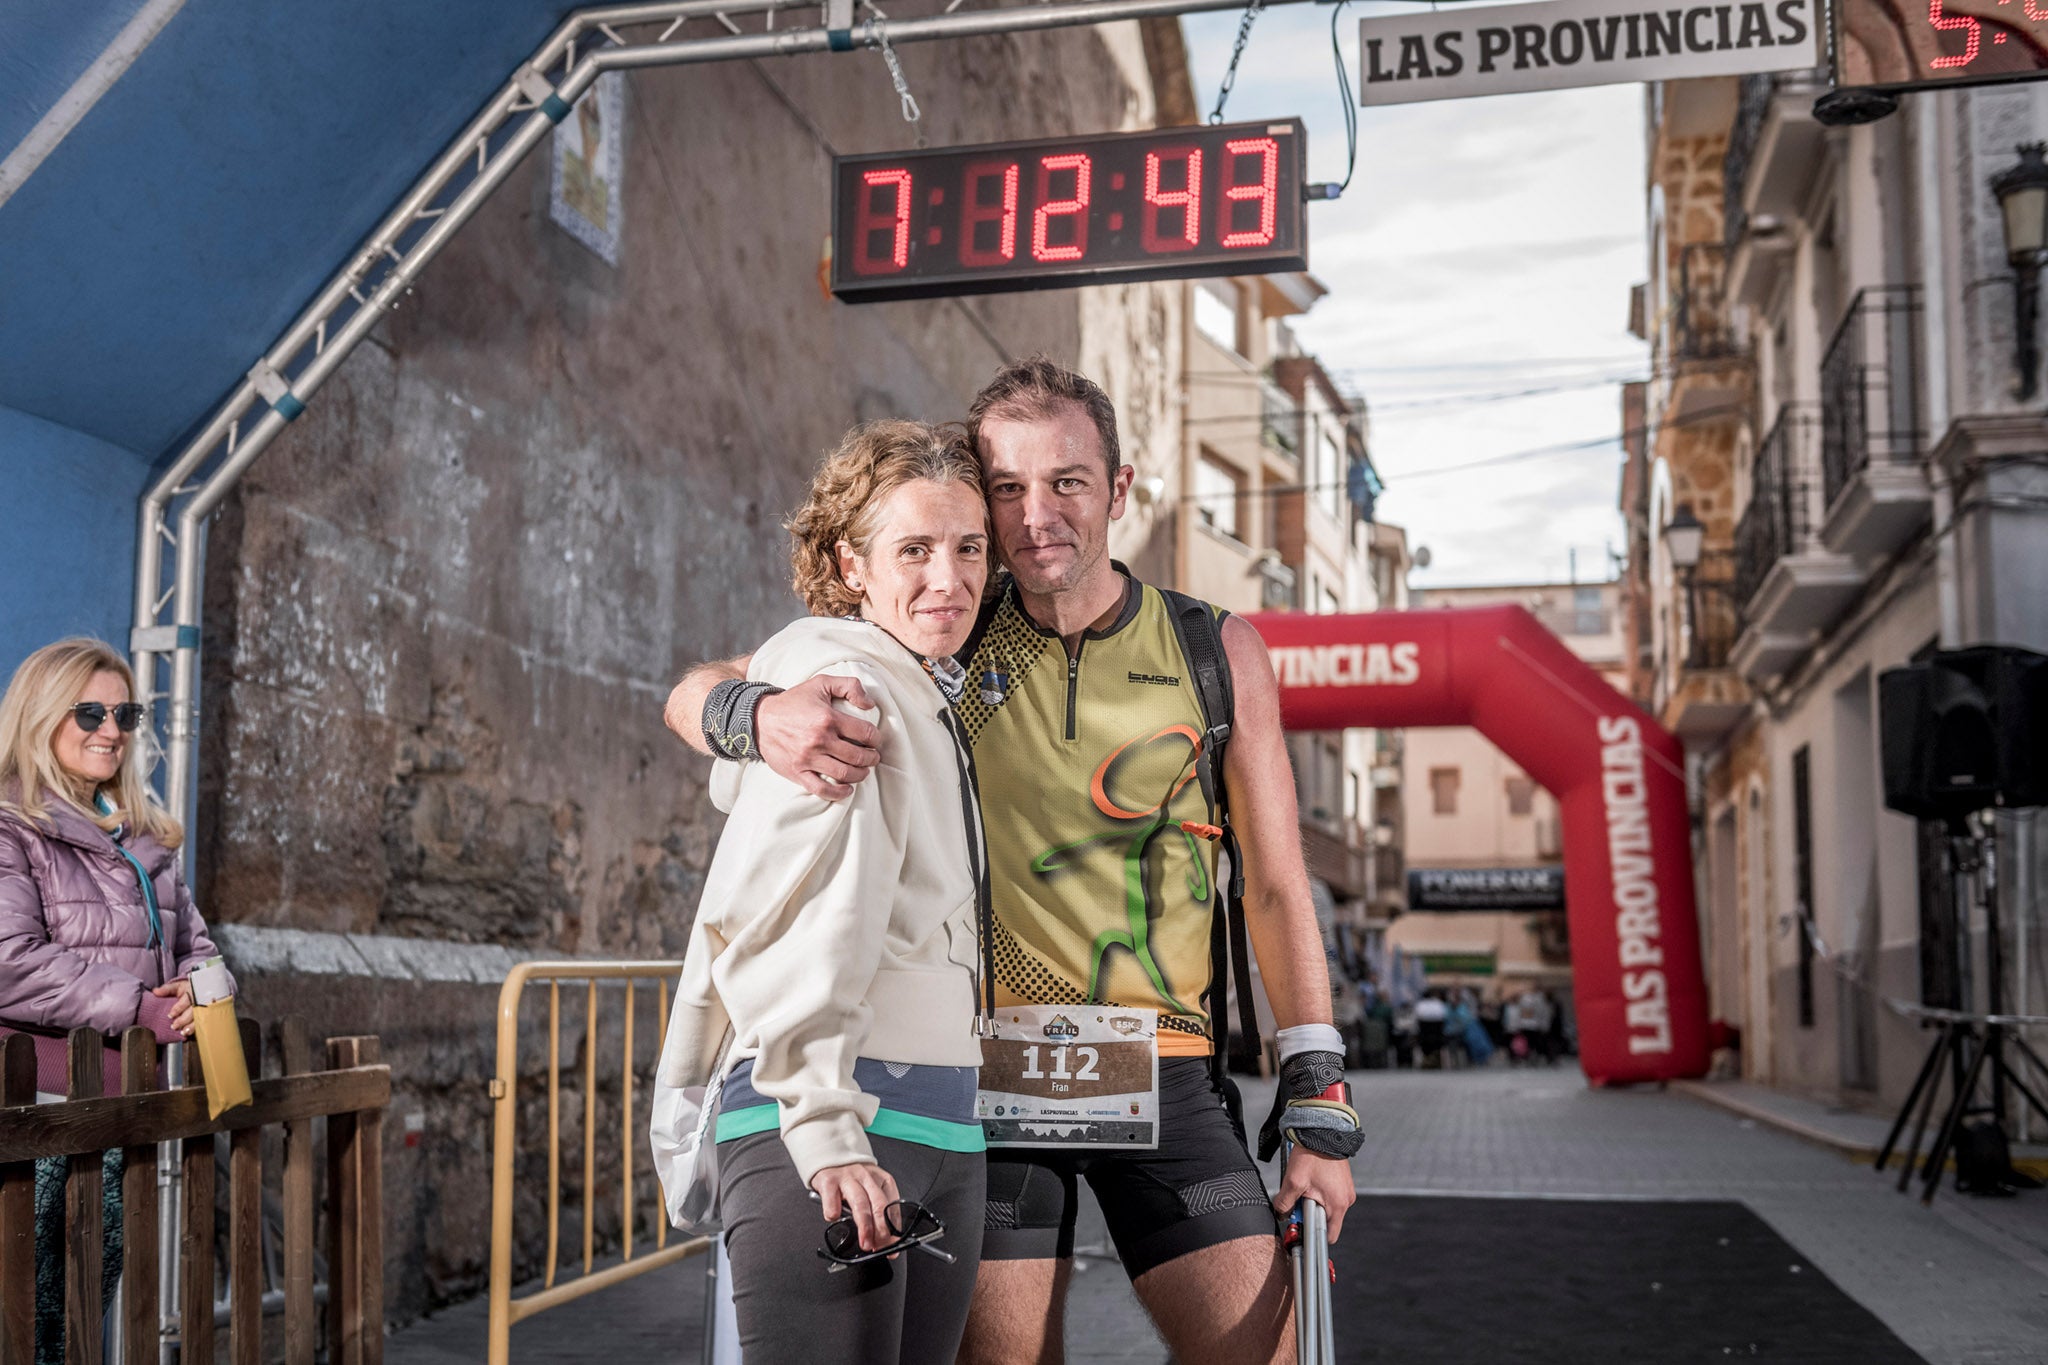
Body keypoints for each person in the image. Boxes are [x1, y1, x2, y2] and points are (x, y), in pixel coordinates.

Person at [665, 359, 1359, 1365]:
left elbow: (1277, 883)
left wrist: (1318, 1096)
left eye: (1067, 482)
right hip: (986, 1085)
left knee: (1268, 1353)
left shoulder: (1212, 649)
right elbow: (713, 684)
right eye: (1007, 488)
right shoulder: (938, 632)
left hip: (1162, 1076)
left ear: (1118, 491)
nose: (1036, 515)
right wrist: (752, 713)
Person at [654, 421, 992, 1364]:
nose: (948, 578)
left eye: (969, 547)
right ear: (851, 564)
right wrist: (822, 1125)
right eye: (914, 550)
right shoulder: (841, 685)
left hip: (943, 1122)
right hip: (834, 1121)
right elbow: (795, 924)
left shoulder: (927, 690)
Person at [0, 638, 228, 1365]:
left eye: (124, 711)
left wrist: (200, 989)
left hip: (123, 1104)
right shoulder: (12, 827)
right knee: (31, 1310)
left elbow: (197, 944)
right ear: (40, 716)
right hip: (40, 1104)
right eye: (90, 710)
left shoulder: (146, 837)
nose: (112, 728)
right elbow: (11, 960)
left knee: (85, 1305)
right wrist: (141, 1007)